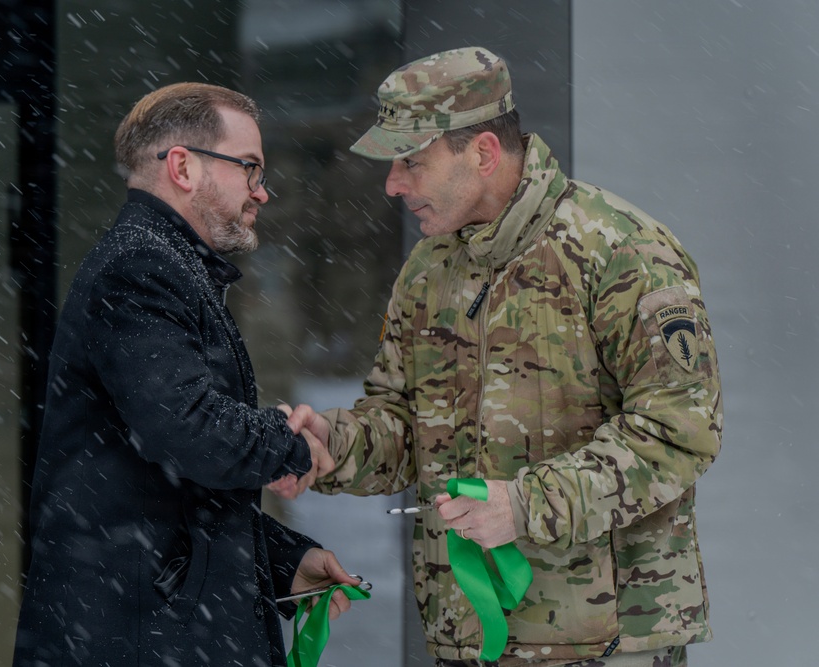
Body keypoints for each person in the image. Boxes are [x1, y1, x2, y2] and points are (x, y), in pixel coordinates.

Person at [283, 47, 722, 666]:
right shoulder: (427, 271)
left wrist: (524, 505)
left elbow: (681, 433)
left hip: (603, 643)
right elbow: (404, 425)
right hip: (467, 638)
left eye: (412, 161)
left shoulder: (621, 251)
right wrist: (334, 445)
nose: (393, 184)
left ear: (483, 153)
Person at [12, 82, 359, 667]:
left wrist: (278, 558)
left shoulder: (164, 265)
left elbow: (162, 487)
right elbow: (189, 428)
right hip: (140, 640)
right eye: (250, 168)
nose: (263, 193)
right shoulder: (142, 267)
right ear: (183, 167)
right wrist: (291, 444)